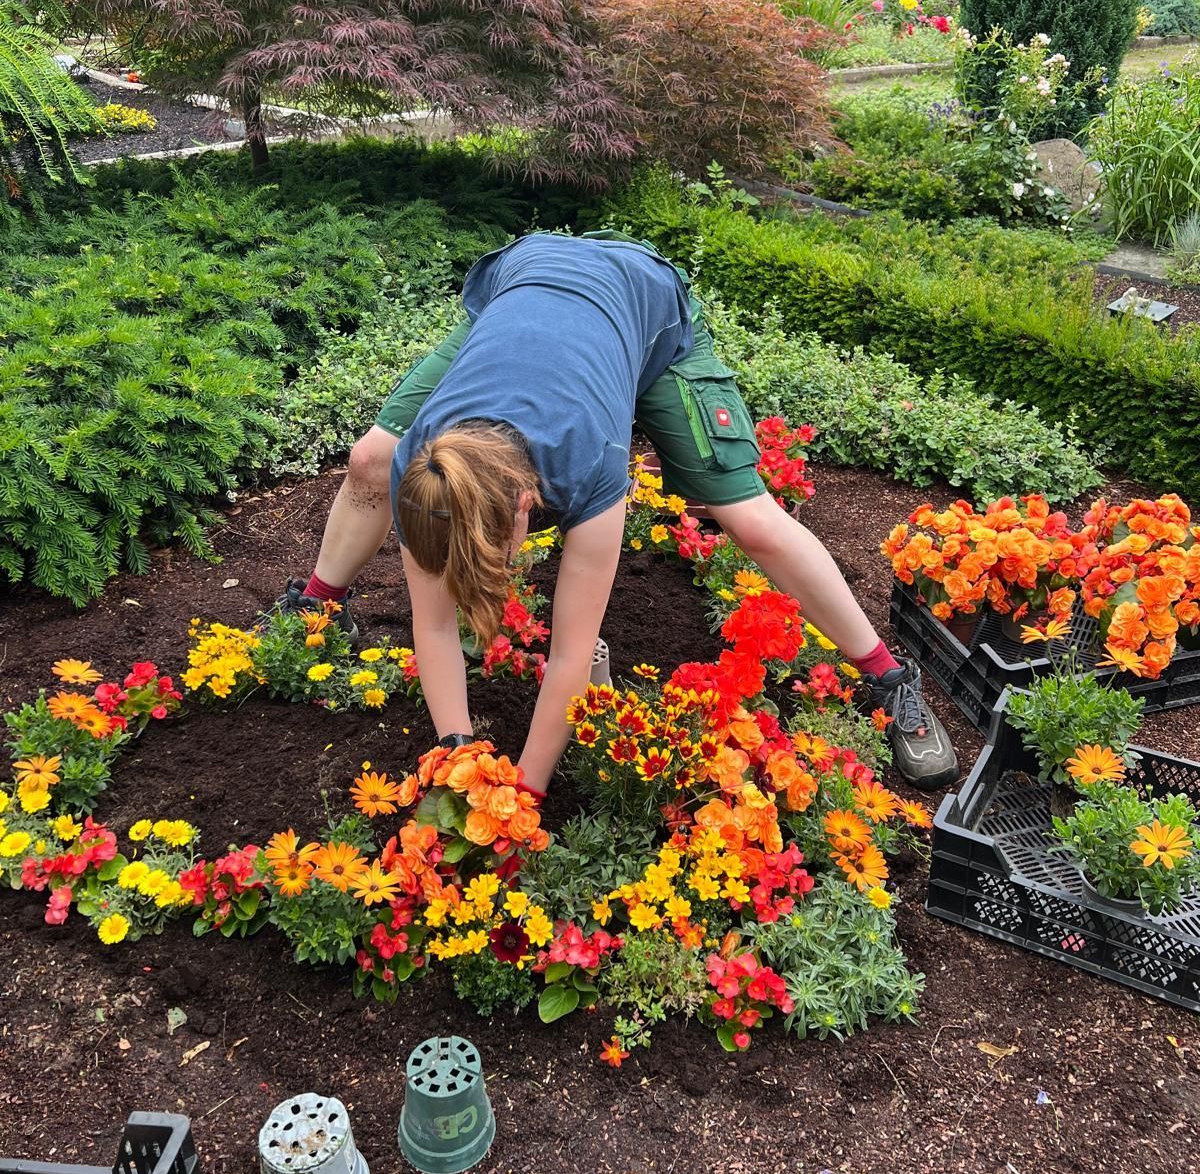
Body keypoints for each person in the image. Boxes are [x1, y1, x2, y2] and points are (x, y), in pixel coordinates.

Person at [269, 230, 958, 795]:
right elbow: (435, 623)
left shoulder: (589, 464)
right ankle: (318, 601)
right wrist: (458, 752)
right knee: (366, 455)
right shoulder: (427, 470)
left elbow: (571, 653)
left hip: (640, 302)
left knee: (749, 520)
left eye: (498, 555)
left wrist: (526, 796)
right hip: (528, 278)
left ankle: (889, 678)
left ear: (526, 507)